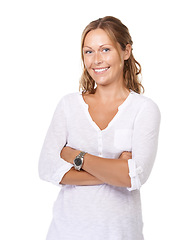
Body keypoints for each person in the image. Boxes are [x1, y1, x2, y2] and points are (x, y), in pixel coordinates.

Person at [39, 16, 161, 240]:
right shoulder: (68, 106)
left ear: (126, 51)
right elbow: (47, 168)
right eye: (88, 51)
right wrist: (117, 170)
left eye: (105, 49)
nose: (96, 60)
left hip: (121, 234)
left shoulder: (144, 109)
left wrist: (76, 156)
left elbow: (136, 176)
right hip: (66, 232)